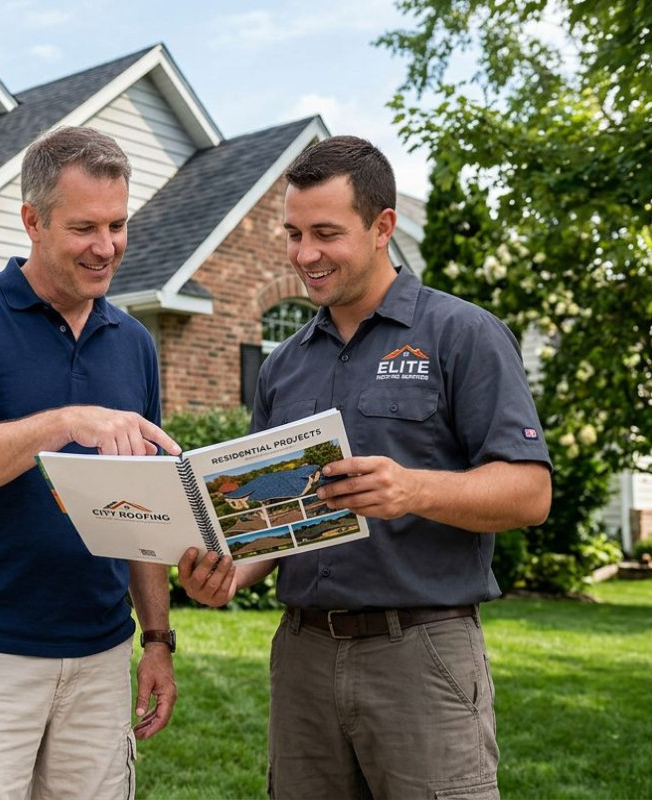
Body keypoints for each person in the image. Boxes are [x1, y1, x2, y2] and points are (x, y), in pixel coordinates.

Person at [178, 135, 552, 799]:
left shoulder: (461, 334)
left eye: (325, 233)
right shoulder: (284, 364)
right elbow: (274, 517)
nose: (304, 255)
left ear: (382, 227)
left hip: (422, 652)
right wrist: (233, 573)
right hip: (302, 656)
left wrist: (412, 489)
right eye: (293, 234)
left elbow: (528, 493)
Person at [0, 126, 181, 799]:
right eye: (85, 227)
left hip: (101, 653)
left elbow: (140, 508)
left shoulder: (134, 345)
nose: (107, 245)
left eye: (118, 224)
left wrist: (156, 639)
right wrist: (63, 423)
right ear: (32, 220)